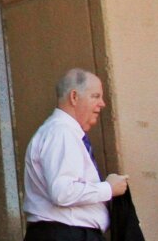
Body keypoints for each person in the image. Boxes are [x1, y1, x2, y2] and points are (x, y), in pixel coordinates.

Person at [22, 69, 128, 240]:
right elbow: (63, 192)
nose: (102, 104)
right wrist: (108, 189)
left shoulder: (62, 131)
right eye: (95, 96)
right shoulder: (61, 132)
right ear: (74, 97)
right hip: (66, 234)